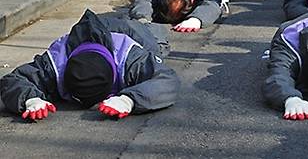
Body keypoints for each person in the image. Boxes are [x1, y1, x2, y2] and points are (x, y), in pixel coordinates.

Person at [0, 10, 180, 120]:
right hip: (96, 27)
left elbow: (167, 79)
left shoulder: (131, 58)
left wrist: (129, 99)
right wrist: (30, 99)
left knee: (157, 41)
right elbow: (14, 79)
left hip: (136, 32)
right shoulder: (54, 64)